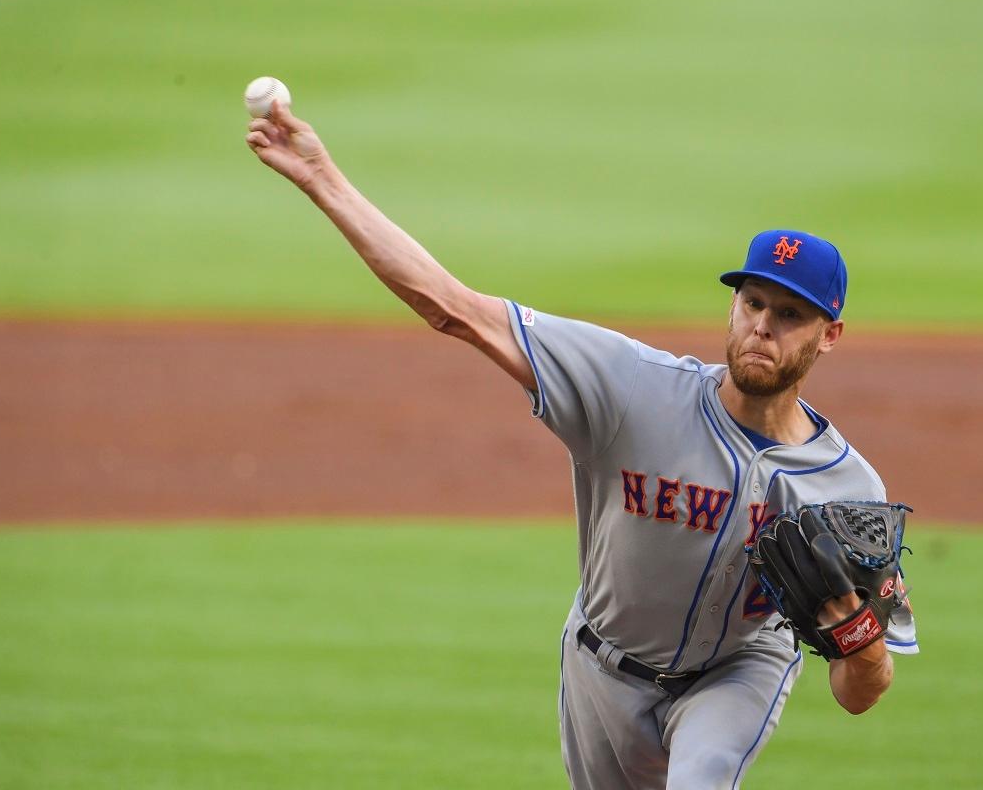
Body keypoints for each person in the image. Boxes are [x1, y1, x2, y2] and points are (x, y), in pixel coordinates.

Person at [246, 101, 918, 790]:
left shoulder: (850, 492)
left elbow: (859, 693)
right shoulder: (633, 388)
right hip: (601, 669)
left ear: (828, 335)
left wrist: (860, 644)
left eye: (789, 315)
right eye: (752, 303)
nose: (761, 327)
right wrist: (321, 177)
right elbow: (453, 306)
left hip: (739, 672)